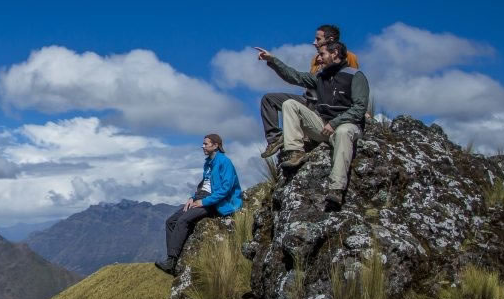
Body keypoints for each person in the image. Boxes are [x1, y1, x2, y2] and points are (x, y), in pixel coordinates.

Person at [254, 40, 369, 209]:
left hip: (348, 125)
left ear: (335, 53)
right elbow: (293, 76)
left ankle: (336, 189)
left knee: (343, 132)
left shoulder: (355, 75)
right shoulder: (320, 77)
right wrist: (272, 60)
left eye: (322, 55)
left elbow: (360, 108)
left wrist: (336, 122)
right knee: (290, 104)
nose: (319, 59)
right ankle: (295, 152)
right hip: (323, 125)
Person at [260, 24, 361, 159]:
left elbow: (353, 86)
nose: (314, 42)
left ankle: (300, 140)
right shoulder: (316, 59)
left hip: (323, 105)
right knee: (269, 99)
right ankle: (276, 140)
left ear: (330, 39)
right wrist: (272, 60)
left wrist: (362, 111)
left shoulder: (349, 57)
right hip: (307, 99)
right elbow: (300, 77)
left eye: (318, 39)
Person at [155, 133, 243, 275]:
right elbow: (204, 185)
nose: (203, 146)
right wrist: (192, 197)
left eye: (206, 144)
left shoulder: (224, 162)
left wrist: (204, 202)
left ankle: (172, 261)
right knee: (170, 221)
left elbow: (226, 188)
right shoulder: (208, 163)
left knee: (183, 220)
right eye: (203, 144)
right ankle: (171, 259)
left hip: (215, 201)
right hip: (202, 197)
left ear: (216, 145)